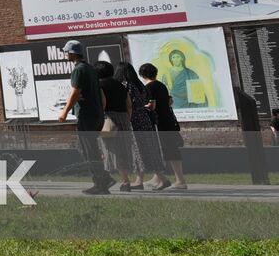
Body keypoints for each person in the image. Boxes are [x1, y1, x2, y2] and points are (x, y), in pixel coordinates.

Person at [57, 39, 113, 194]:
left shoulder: (79, 69)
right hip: (96, 114)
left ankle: (101, 183)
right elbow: (100, 93)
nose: (65, 54)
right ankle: (104, 178)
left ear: (72, 53)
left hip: (87, 115)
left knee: (89, 150)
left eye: (66, 52)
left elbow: (75, 92)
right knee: (90, 148)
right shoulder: (90, 68)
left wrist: (64, 112)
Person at [139, 62, 188, 190]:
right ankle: (157, 178)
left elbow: (152, 106)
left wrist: (139, 106)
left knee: (169, 150)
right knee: (164, 150)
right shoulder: (162, 85)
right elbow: (168, 101)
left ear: (142, 75)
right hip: (168, 120)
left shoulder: (149, 87)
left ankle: (180, 181)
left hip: (160, 122)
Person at [95, 60, 141, 190]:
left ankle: (105, 180)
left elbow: (102, 104)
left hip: (108, 120)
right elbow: (129, 106)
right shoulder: (121, 86)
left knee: (109, 150)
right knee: (122, 150)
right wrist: (127, 120)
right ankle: (125, 181)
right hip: (123, 119)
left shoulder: (99, 85)